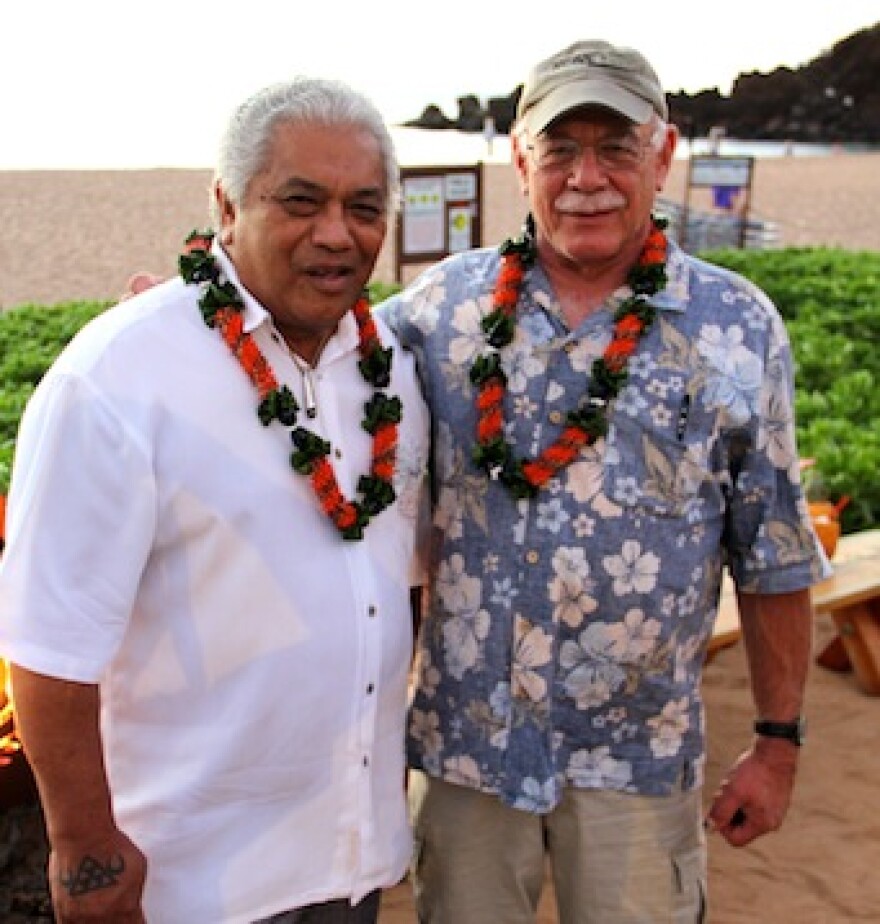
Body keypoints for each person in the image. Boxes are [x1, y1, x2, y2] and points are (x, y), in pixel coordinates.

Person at [379, 40, 829, 923]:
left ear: (663, 156)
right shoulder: (441, 312)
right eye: (560, 148)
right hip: (471, 756)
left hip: (639, 758)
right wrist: (199, 316)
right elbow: (318, 372)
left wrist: (777, 744)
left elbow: (773, 554)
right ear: (519, 159)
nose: (588, 176)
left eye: (616, 148)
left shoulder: (737, 328)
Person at [0, 77, 429, 924]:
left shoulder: (394, 374)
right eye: (300, 201)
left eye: (365, 207)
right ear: (226, 204)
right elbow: (49, 647)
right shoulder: (119, 376)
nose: (337, 234)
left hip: (351, 865)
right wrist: (87, 855)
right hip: (193, 884)